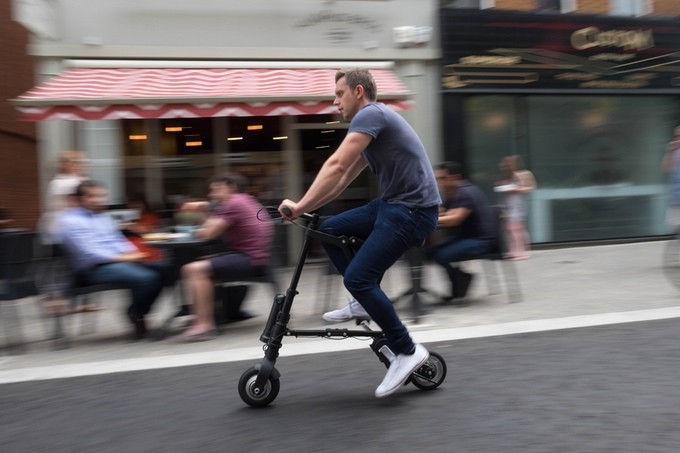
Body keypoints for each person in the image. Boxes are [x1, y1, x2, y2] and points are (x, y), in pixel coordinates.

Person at [279, 68, 441, 398]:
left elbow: (336, 165)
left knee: (359, 277)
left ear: (358, 92)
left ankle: (407, 351)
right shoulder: (372, 127)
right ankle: (362, 301)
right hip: (393, 205)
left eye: (339, 94)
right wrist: (305, 211)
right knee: (327, 229)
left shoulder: (371, 114)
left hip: (413, 210)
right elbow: (341, 181)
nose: (335, 101)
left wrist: (298, 205)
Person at [57, 181, 172, 340]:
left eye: (101, 196)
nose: (98, 200)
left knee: (167, 271)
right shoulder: (71, 221)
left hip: (118, 263)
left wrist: (134, 253)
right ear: (80, 199)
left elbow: (118, 241)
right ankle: (137, 315)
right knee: (147, 278)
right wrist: (126, 258)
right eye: (92, 196)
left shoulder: (103, 218)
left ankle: (138, 311)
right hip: (93, 269)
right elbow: (89, 253)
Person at [174, 173, 274, 342]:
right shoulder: (245, 200)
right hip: (255, 256)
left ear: (231, 187)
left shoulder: (232, 203)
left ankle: (203, 325)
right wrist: (205, 210)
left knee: (193, 269)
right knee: (201, 264)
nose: (211, 194)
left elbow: (207, 233)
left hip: (249, 260)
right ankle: (205, 315)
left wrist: (202, 211)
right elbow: (211, 229)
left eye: (216, 189)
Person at [429, 161, 496, 301]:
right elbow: (443, 212)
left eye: (443, 178)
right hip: (466, 237)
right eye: (438, 179)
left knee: (441, 255)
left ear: (456, 177)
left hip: (481, 241)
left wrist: (430, 219)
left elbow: (455, 219)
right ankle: (461, 279)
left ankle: (460, 282)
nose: (440, 182)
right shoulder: (452, 193)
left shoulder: (465, 192)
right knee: (431, 251)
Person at [496, 154, 536, 260]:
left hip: (517, 206)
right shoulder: (508, 175)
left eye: (506, 164)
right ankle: (513, 251)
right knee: (508, 228)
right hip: (506, 205)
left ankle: (522, 252)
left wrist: (516, 189)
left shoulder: (524, 174)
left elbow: (530, 187)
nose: (503, 166)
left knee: (517, 228)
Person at [662, 125, 680, 232]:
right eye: (676, 136)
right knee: (672, 225)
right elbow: (665, 168)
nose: (678, 138)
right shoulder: (674, 152)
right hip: (676, 199)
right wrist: (669, 151)